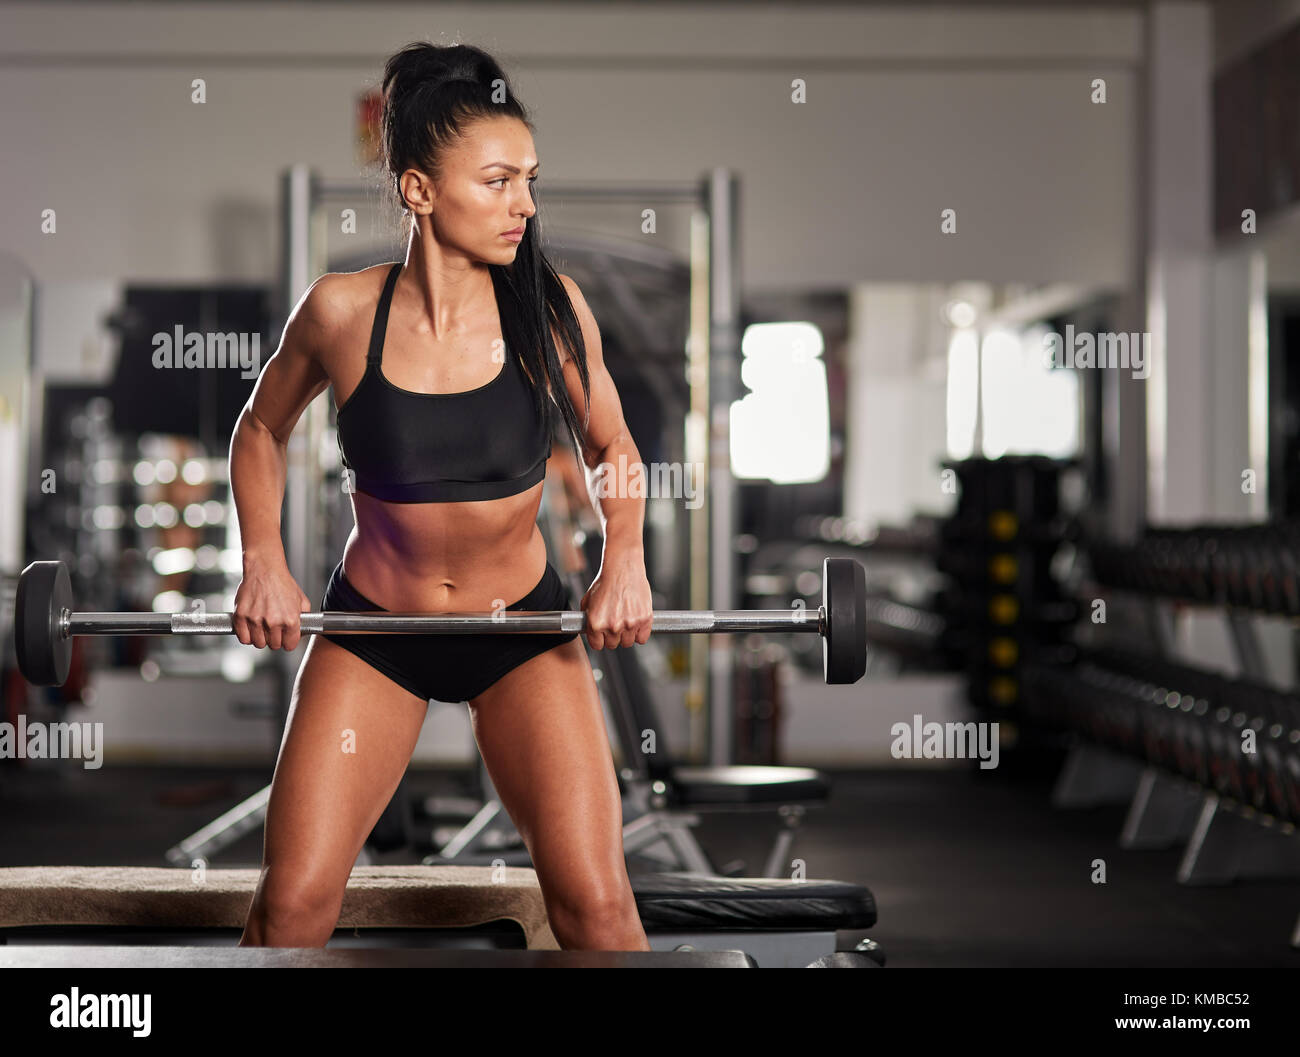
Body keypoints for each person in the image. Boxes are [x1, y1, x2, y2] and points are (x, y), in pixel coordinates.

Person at [231, 42, 653, 951]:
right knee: (293, 905)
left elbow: (612, 443)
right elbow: (259, 429)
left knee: (597, 907)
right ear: (419, 190)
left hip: (522, 634)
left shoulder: (550, 312)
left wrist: (626, 561)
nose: (525, 205)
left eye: (531, 180)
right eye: (498, 181)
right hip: (379, 633)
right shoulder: (341, 314)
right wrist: (261, 558)